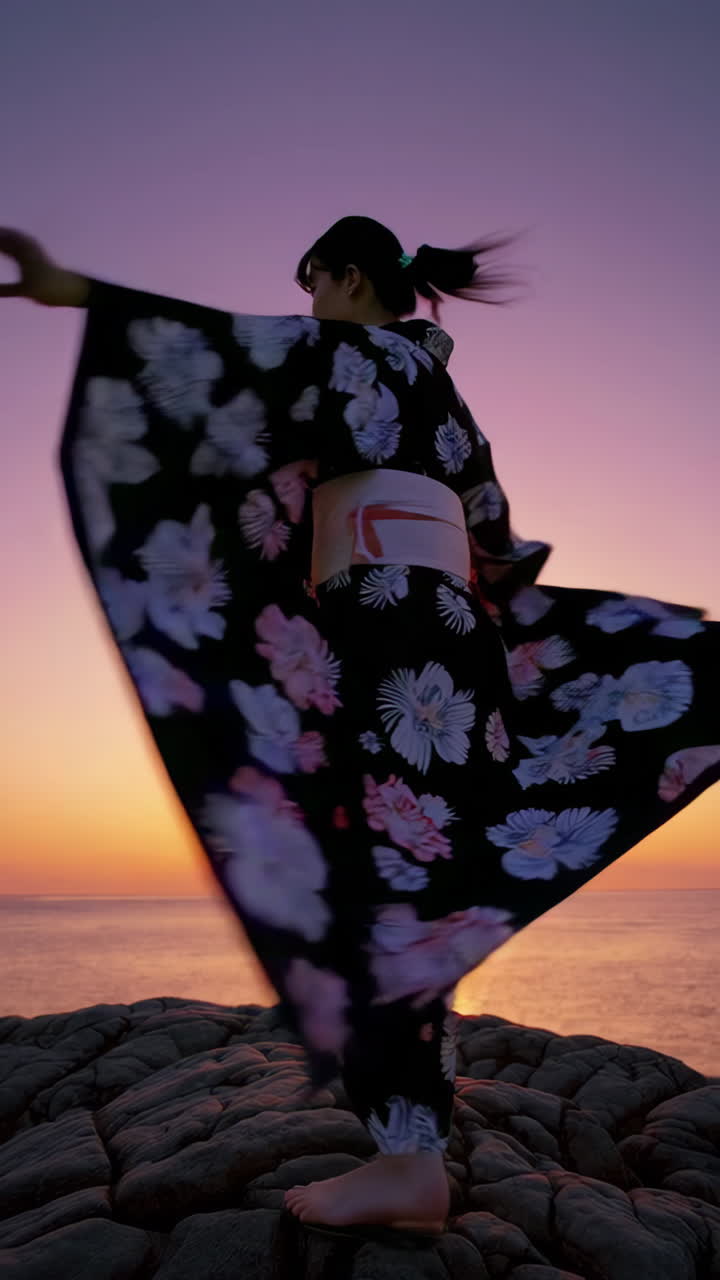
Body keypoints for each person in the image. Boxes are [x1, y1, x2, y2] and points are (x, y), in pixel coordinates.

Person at [2, 217, 719, 1242]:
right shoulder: (448, 399)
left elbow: (217, 361)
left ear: (345, 278)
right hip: (452, 636)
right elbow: (498, 545)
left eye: (314, 285)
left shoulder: (348, 353)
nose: (308, 306)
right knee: (410, 873)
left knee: (380, 880)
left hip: (385, 634)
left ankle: (408, 1159)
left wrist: (70, 288)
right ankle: (410, 1134)